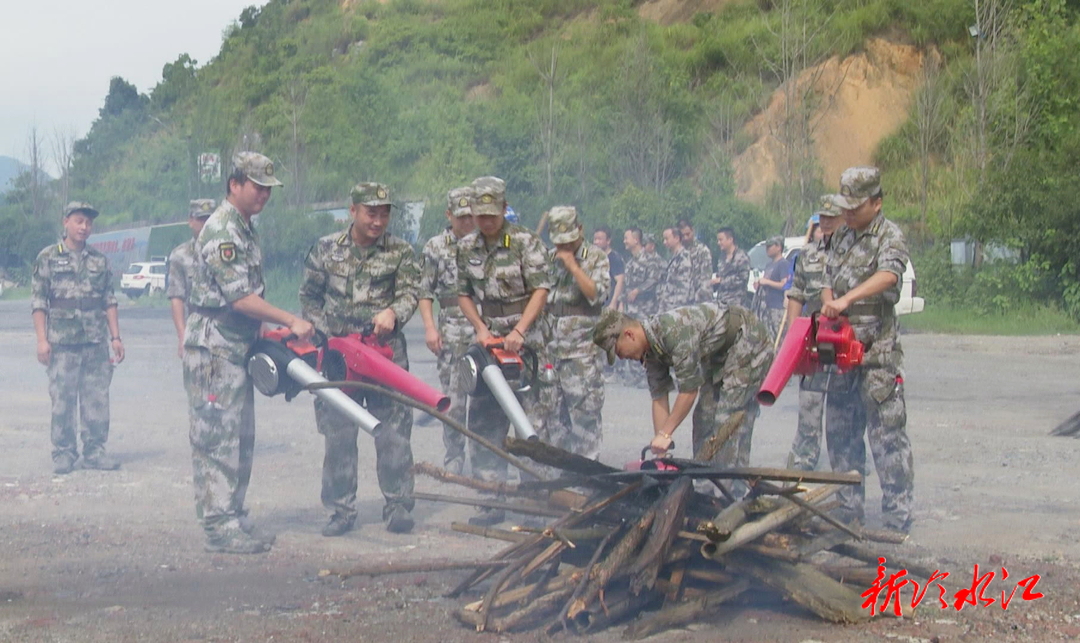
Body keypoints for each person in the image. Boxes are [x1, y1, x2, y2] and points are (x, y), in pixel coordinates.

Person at [183, 152, 314, 554]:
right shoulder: (223, 229)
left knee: (240, 435)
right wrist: (290, 320)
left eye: (267, 189)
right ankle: (219, 524)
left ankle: (233, 514)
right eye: (257, 187)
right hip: (215, 345)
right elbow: (240, 298)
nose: (263, 195)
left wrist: (266, 327)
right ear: (234, 184)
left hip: (236, 341)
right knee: (216, 436)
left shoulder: (244, 227)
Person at [300, 182, 421, 536]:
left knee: (394, 433)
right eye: (371, 212)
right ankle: (340, 510)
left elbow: (411, 292)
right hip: (338, 357)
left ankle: (398, 505)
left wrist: (393, 313)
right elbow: (309, 298)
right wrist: (329, 335)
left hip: (384, 355)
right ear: (352, 211)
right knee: (338, 434)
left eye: (384, 213)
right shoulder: (325, 250)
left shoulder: (401, 251)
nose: (378, 220)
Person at [592, 302, 773, 497]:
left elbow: (688, 392)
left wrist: (666, 434)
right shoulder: (650, 350)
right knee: (704, 417)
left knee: (726, 423)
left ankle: (728, 496)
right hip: (719, 355)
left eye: (618, 351)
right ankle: (704, 491)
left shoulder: (675, 332)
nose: (621, 358)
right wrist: (661, 452)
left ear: (629, 334)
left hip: (748, 343)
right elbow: (659, 397)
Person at [821, 166, 914, 532]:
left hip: (876, 354)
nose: (847, 213)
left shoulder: (889, 235)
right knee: (841, 433)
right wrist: (830, 300)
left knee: (887, 435)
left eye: (855, 207)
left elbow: (889, 275)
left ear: (876, 203)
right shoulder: (841, 236)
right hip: (840, 353)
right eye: (845, 206)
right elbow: (826, 278)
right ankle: (848, 508)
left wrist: (847, 299)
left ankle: (897, 513)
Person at [456, 176, 552, 526]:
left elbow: (541, 290)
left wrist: (520, 331)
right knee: (484, 421)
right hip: (488, 342)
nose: (486, 221)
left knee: (530, 421)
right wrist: (480, 328)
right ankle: (490, 498)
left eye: (491, 214)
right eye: (480, 215)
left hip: (526, 342)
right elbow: (461, 292)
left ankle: (534, 500)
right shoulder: (466, 247)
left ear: (503, 207)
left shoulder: (526, 242)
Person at [31, 201, 124, 474]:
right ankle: (63, 452)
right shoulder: (47, 257)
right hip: (62, 343)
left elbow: (109, 300)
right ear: (66, 222)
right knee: (63, 400)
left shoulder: (99, 260)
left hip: (95, 341)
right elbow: (39, 302)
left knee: (97, 398)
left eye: (88, 223)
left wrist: (115, 337)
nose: (84, 227)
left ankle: (95, 451)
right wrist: (41, 340)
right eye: (79, 221)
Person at [784, 201, 864, 473]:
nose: (826, 223)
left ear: (845, 218)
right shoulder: (808, 254)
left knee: (843, 418)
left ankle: (846, 476)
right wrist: (793, 337)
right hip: (815, 342)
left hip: (844, 342)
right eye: (822, 219)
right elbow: (797, 293)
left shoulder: (856, 252)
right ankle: (799, 476)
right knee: (808, 413)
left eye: (832, 218)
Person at [418, 187, 476, 475]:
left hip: (482, 327)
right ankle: (454, 455)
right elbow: (424, 291)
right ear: (449, 214)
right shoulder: (435, 247)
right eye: (461, 217)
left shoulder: (487, 242)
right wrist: (430, 327)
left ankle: (485, 461)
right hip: (452, 327)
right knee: (453, 401)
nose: (467, 222)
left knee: (482, 400)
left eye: (471, 216)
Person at [545, 206, 609, 459]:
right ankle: (559, 478)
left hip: (582, 354)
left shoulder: (595, 257)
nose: (564, 247)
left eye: (569, 241)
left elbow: (596, 295)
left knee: (585, 418)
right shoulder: (549, 259)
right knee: (554, 419)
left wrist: (573, 266)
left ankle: (587, 477)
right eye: (559, 242)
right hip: (552, 352)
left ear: (579, 230)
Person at [167, 199, 216, 359]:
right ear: (190, 221)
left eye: (209, 219)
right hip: (197, 331)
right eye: (201, 219)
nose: (205, 224)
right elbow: (177, 298)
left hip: (229, 331)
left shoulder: (227, 252)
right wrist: (182, 336)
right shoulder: (180, 256)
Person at [618, 227, 662, 387]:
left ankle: (649, 375)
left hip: (646, 307)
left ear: (636, 240)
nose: (624, 241)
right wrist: (622, 302)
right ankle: (636, 375)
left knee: (646, 341)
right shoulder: (629, 263)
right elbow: (626, 287)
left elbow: (654, 280)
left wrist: (638, 290)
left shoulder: (650, 260)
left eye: (626, 238)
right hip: (632, 309)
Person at [755, 236, 789, 343]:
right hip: (766, 307)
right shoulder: (769, 265)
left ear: (779, 247)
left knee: (778, 339)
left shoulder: (783, 264)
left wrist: (767, 282)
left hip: (777, 308)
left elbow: (785, 284)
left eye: (770, 246)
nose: (767, 249)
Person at [657, 227, 695, 312]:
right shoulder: (673, 258)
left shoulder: (683, 258)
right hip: (668, 308)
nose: (664, 242)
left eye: (667, 239)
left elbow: (684, 289)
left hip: (677, 310)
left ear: (677, 238)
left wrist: (676, 312)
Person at [711, 227, 750, 306]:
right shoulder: (722, 257)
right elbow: (720, 275)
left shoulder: (741, 256)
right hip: (721, 302)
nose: (718, 243)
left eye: (721, 240)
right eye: (718, 240)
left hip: (736, 303)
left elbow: (743, 279)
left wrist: (722, 280)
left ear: (730, 239)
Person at [676, 219, 713, 303]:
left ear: (693, 231)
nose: (685, 238)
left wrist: (695, 299)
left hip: (701, 299)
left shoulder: (702, 250)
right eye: (683, 235)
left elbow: (706, 279)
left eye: (688, 234)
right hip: (684, 299)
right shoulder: (680, 252)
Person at [592, 226, 624, 311]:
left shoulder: (614, 258)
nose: (596, 242)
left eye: (599, 239)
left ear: (608, 241)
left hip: (609, 305)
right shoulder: (595, 258)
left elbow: (620, 281)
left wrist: (613, 303)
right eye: (595, 239)